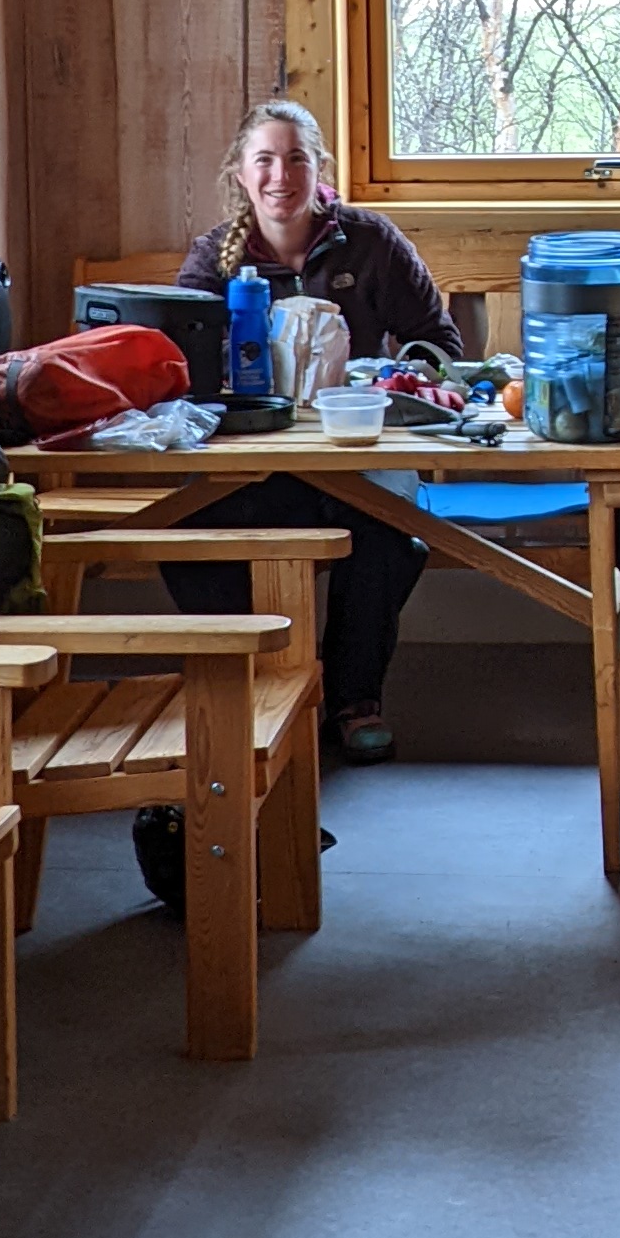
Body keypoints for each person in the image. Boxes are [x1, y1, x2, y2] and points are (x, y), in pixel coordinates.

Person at [168, 100, 453, 763]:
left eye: (297, 157)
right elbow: (180, 361)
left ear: (319, 166)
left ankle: (353, 698)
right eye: (264, 159)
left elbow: (439, 343)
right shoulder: (215, 257)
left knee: (389, 534)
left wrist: (387, 376)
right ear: (240, 173)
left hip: (359, 446)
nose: (281, 174)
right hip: (257, 458)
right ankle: (253, 683)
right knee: (187, 530)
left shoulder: (372, 242)